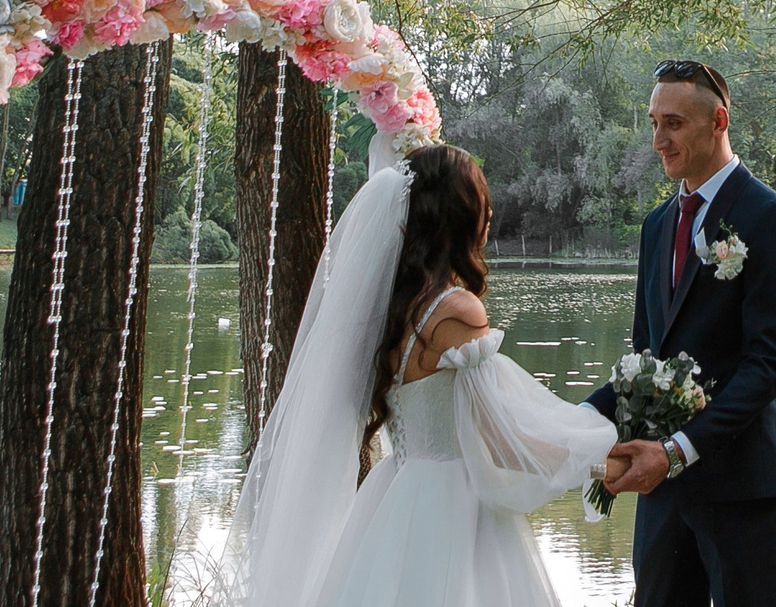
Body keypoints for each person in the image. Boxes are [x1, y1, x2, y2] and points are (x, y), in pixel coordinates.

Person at [231, 140, 618, 607]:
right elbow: (499, 439)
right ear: (458, 214)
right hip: (453, 507)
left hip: (396, 493)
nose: (489, 212)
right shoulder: (456, 311)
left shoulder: (390, 311)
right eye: (481, 198)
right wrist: (601, 461)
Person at [591, 59, 776, 607]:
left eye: (674, 123)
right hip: (663, 491)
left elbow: (767, 365)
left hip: (745, 487)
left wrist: (679, 450)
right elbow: (646, 356)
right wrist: (578, 423)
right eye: (653, 123)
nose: (659, 139)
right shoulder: (657, 225)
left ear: (718, 120)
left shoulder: (769, 218)